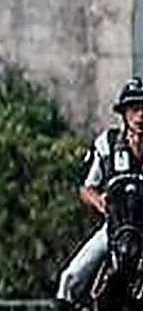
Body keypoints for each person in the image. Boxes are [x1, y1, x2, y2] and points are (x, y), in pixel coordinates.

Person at [58, 78, 143, 309]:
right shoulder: (108, 144)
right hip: (116, 229)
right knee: (70, 279)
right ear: (125, 114)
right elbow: (86, 188)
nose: (140, 116)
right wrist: (101, 203)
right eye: (135, 109)